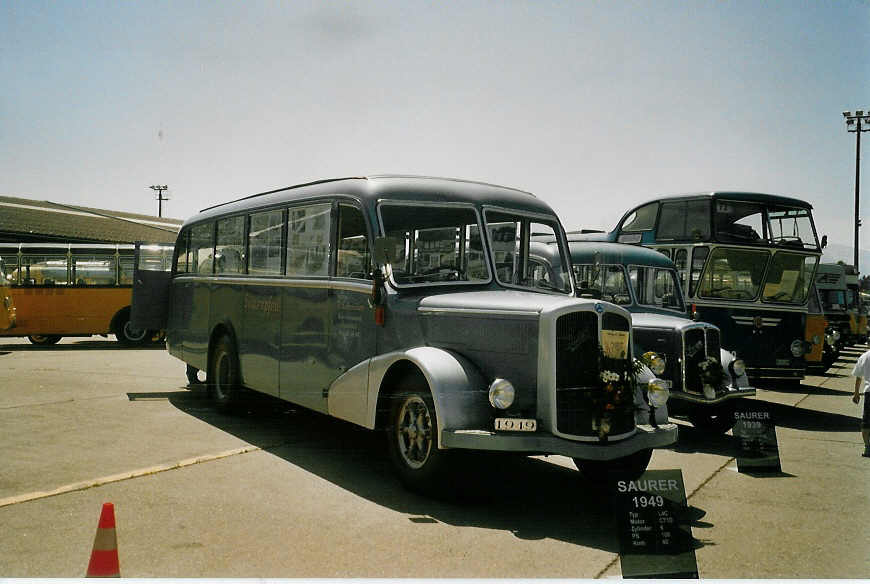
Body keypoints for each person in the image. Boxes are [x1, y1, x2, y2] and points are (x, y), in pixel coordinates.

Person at [850, 350, 870, 457]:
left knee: (866, 421)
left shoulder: (864, 356)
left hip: (869, 393)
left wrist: (856, 393)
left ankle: (867, 447)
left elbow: (858, 377)